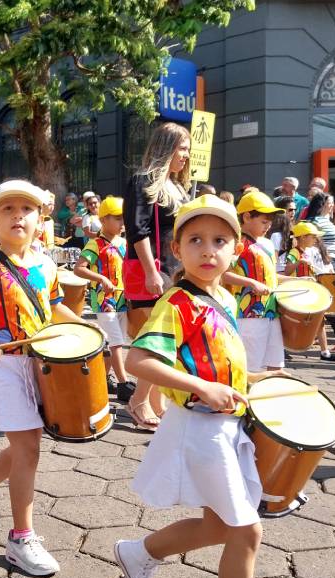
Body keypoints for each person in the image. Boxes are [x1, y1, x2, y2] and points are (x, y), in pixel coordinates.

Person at [117, 196, 274, 578]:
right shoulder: (178, 302)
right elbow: (138, 359)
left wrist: (252, 378)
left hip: (226, 425)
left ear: (235, 250)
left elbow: (212, 358)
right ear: (176, 249)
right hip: (200, 428)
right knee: (246, 530)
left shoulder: (224, 298)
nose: (208, 250)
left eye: (220, 240)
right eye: (196, 240)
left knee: (219, 526)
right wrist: (201, 387)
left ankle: (139, 554)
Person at [0, 179, 85, 576]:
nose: (17, 216)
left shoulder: (46, 265)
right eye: (7, 210)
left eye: (26, 209)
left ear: (40, 220)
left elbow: (55, 309)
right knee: (28, 448)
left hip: (43, 364)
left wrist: (89, 333)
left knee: (28, 442)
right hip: (4, 365)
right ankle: (21, 538)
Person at [122, 122, 191, 430]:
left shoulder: (177, 186)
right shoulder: (143, 181)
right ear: (167, 148)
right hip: (149, 269)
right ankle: (138, 399)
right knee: (160, 341)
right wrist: (152, 271)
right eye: (182, 148)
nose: (187, 156)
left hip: (173, 270)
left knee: (168, 339)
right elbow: (139, 230)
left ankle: (155, 400)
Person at [74, 196, 133, 404]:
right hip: (104, 300)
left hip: (122, 299)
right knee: (117, 342)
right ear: (104, 220)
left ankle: (101, 378)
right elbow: (78, 268)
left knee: (112, 343)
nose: (122, 223)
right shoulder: (95, 244)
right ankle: (124, 383)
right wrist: (100, 278)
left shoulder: (125, 243)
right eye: (117, 218)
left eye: (123, 219)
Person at [229, 191, 287, 373]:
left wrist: (300, 281)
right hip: (247, 314)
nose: (268, 226)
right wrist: (251, 283)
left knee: (275, 365)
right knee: (251, 367)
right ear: (246, 216)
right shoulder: (236, 242)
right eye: (264, 221)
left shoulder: (267, 244)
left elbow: (271, 278)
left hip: (271, 312)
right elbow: (222, 274)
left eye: (270, 221)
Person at [284, 221, 335, 362]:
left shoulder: (309, 252)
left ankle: (325, 352)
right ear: (303, 237)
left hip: (308, 291)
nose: (316, 239)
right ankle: (282, 349)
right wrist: (299, 263)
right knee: (290, 321)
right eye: (313, 236)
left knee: (319, 320)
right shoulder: (295, 252)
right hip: (297, 292)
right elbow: (287, 270)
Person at [305, 192, 335, 273]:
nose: (332, 205)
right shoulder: (313, 221)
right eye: (329, 203)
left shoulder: (328, 221)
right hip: (326, 260)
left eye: (333, 203)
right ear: (321, 204)